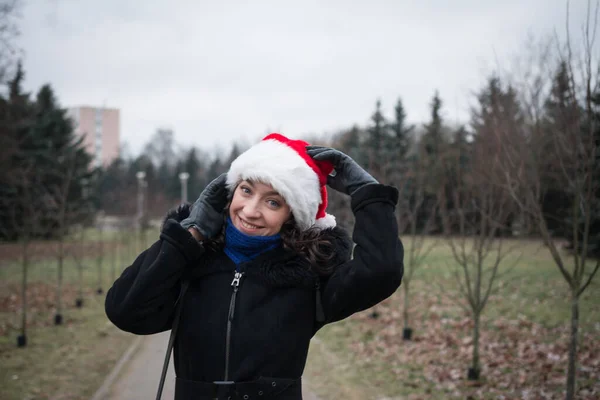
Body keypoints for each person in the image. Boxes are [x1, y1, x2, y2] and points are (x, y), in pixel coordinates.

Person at [105, 133, 404, 400]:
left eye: (273, 202)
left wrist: (368, 193)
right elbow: (125, 310)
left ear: (291, 215)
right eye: (246, 190)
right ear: (229, 191)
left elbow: (381, 270)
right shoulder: (191, 262)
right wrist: (190, 234)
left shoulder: (310, 276)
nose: (250, 211)